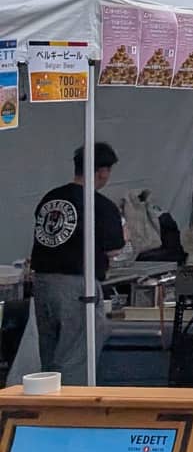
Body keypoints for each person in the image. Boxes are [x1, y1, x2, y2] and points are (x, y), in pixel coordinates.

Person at [27, 142, 125, 386]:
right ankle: (69, 415)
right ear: (102, 171)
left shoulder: (51, 198)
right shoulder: (100, 205)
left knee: (49, 356)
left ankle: (46, 410)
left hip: (42, 282)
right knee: (76, 356)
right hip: (77, 285)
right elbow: (114, 248)